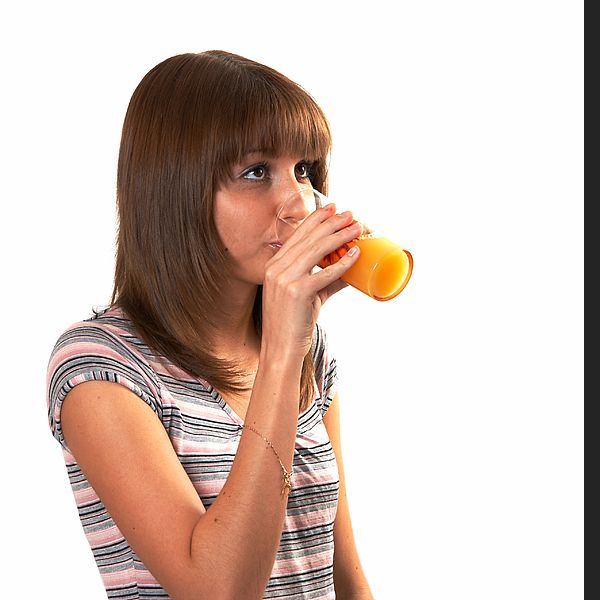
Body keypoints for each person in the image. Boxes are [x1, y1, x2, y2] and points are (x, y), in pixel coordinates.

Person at [46, 50, 373, 600]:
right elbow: (216, 590)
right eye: (255, 172)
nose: (298, 204)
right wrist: (282, 353)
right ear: (177, 190)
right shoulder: (100, 368)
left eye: (303, 170)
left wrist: (290, 345)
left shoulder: (305, 350)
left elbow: (344, 577)